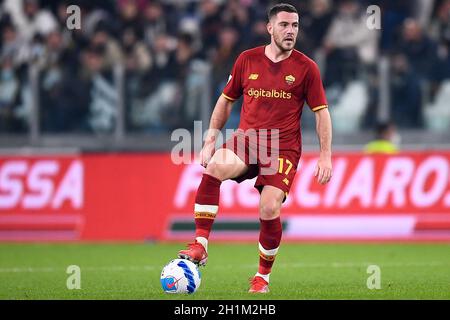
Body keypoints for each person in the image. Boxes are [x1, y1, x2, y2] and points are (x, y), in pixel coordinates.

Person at [178, 3, 333, 293]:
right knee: (214, 167)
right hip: (248, 140)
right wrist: (211, 137)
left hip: (282, 148)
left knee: (269, 206)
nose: (290, 31)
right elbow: (226, 101)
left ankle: (262, 277)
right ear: (270, 28)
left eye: (295, 26)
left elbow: (321, 112)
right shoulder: (246, 60)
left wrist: (325, 155)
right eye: (285, 25)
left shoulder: (306, 67)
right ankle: (200, 245)